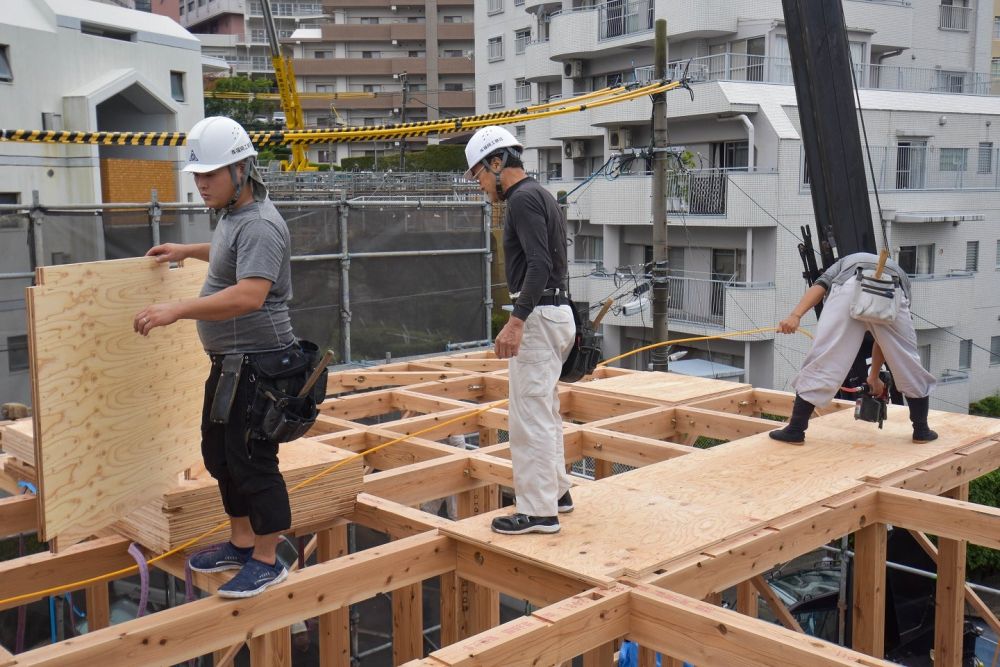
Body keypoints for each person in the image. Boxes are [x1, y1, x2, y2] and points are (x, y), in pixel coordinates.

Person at [133, 116, 299, 598]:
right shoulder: (233, 217)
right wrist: (188, 249)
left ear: (243, 170)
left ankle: (268, 559)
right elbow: (230, 253)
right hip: (232, 363)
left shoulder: (264, 225)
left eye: (211, 174)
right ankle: (241, 542)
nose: (201, 184)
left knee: (252, 459)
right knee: (219, 453)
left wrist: (177, 309)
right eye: (198, 175)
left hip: (262, 362)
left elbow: (249, 294)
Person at [464, 126, 576, 535]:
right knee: (544, 409)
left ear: (497, 163)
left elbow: (539, 265)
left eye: (477, 175)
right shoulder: (539, 194)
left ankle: (538, 511)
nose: (479, 186)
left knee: (529, 417)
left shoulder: (522, 200)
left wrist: (516, 322)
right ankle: (557, 494)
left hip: (540, 315)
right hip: (554, 312)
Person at [770, 251, 937, 445]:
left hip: (850, 286)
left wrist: (796, 316)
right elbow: (885, 342)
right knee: (907, 360)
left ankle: (795, 430)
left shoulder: (843, 263)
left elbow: (821, 285)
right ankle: (921, 431)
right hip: (892, 288)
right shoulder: (903, 276)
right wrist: (873, 376)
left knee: (826, 357)